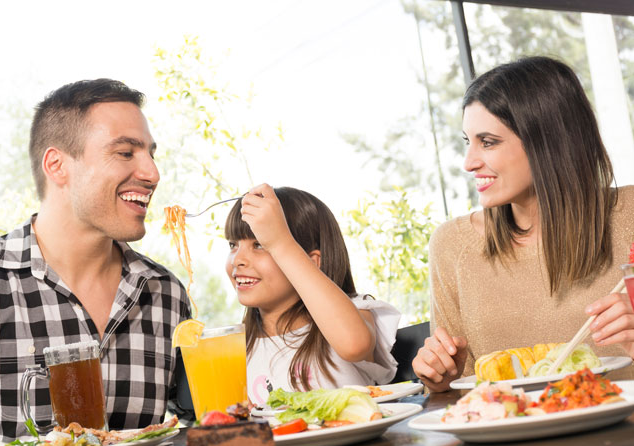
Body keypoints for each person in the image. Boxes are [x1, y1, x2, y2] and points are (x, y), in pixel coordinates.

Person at [0, 79, 191, 446]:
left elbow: (203, 424)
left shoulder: (164, 293)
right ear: (57, 165)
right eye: (125, 152)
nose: (152, 173)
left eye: (151, 154)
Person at [411, 56, 634, 392]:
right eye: (467, 142)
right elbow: (459, 387)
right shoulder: (452, 245)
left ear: (548, 141)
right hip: (512, 439)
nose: (469, 162)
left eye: (487, 142)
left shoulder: (628, 215)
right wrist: (439, 377)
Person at [224, 183, 400, 406]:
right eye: (233, 244)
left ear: (311, 261)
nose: (238, 259)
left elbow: (354, 345)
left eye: (259, 244)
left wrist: (279, 243)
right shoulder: (236, 347)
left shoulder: (353, 313)